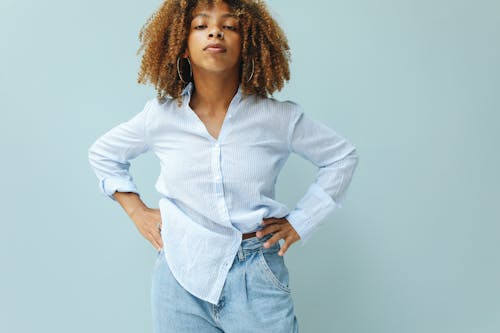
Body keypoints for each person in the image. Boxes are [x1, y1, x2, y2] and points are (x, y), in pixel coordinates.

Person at [88, 0, 359, 332]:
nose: (215, 31)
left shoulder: (277, 117)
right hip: (178, 278)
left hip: (256, 274)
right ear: (182, 46)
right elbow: (104, 154)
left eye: (230, 26)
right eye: (200, 26)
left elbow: (341, 157)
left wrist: (301, 222)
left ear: (249, 45)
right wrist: (137, 212)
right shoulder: (160, 117)